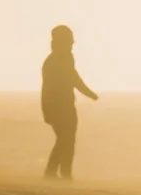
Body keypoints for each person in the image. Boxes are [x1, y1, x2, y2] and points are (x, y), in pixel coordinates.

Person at [41, 25, 98, 181]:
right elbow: (47, 89)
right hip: (56, 107)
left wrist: (89, 93)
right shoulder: (51, 62)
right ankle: (52, 172)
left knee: (68, 139)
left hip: (67, 106)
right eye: (69, 42)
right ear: (60, 42)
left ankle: (63, 173)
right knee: (64, 139)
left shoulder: (67, 58)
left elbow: (74, 78)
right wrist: (47, 111)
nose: (72, 45)